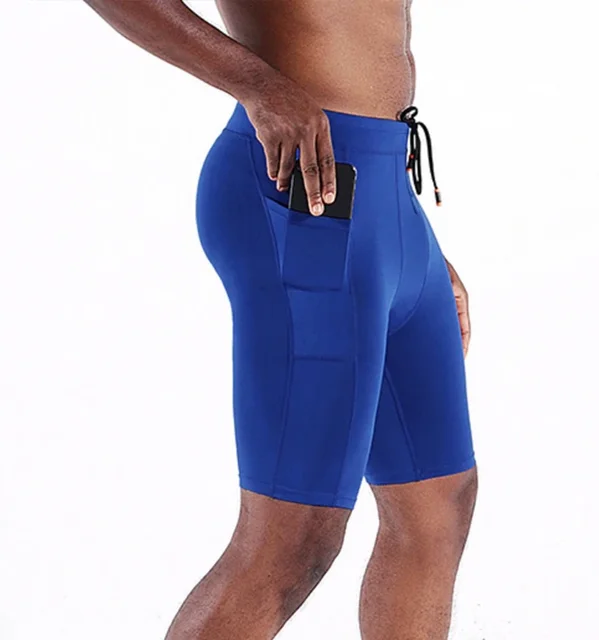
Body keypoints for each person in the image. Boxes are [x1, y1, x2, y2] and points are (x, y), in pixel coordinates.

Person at [83, 1, 479, 638]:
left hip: (385, 201)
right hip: (302, 192)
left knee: (438, 504)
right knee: (295, 535)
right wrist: (258, 84)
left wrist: (407, 238)